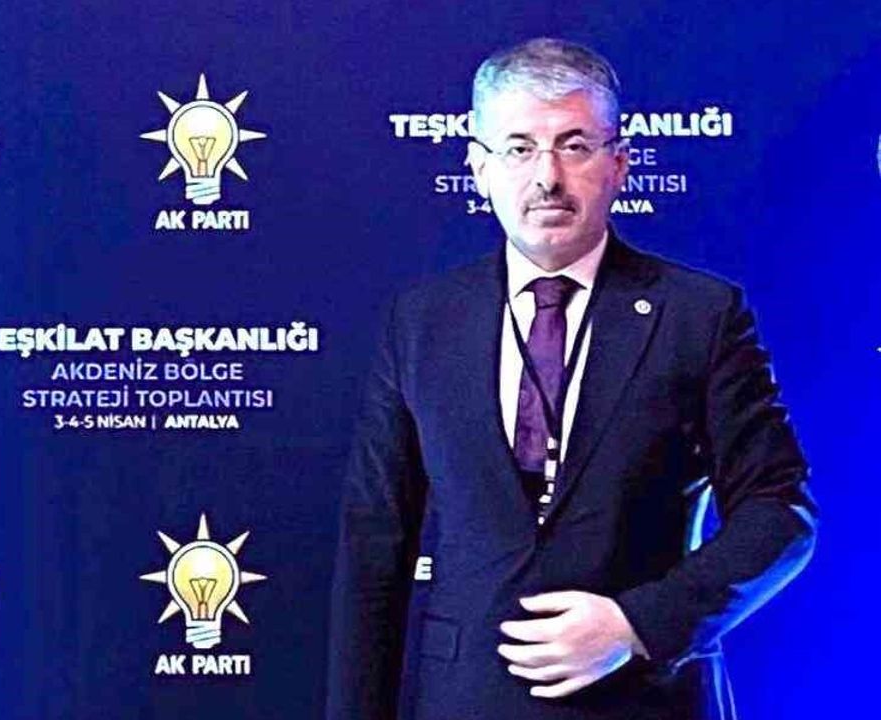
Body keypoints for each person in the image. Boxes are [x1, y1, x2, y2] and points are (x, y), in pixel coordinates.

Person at [326, 38, 817, 720]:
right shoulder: (421, 322)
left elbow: (778, 512)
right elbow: (374, 546)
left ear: (619, 164)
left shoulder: (700, 315)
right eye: (519, 148)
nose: (547, 177)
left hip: (650, 701)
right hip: (469, 701)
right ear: (478, 167)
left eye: (575, 145)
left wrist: (638, 624)